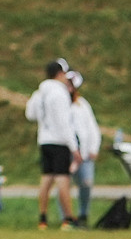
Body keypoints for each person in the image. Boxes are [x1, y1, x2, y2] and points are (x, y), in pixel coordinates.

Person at [25, 58, 79, 229]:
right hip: (59, 141)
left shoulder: (40, 92)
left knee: (46, 179)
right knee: (63, 179)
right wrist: (74, 147)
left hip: (44, 140)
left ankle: (42, 219)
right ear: (60, 74)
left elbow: (30, 114)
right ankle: (68, 219)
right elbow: (64, 122)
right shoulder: (59, 93)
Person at [67, 70, 100, 226]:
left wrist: (93, 148)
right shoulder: (60, 103)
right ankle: (66, 217)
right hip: (67, 152)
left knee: (86, 183)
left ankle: (83, 215)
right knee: (65, 184)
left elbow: (92, 128)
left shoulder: (82, 105)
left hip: (85, 153)